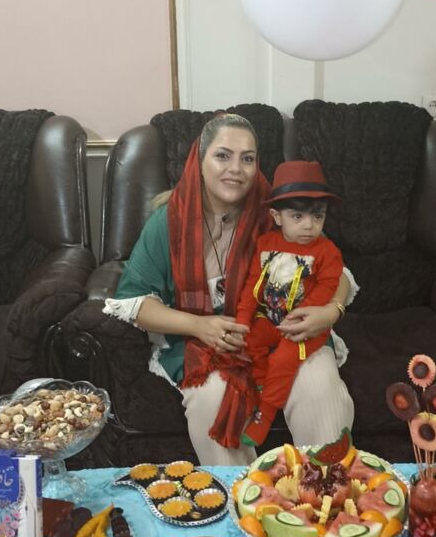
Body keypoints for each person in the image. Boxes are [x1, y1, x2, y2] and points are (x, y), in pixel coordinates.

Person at [103, 113, 356, 466]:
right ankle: (244, 495)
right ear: (200, 160)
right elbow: (135, 302)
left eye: (247, 158)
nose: (236, 169)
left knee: (319, 385)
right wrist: (198, 325)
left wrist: (331, 312)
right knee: (212, 398)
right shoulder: (169, 221)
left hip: (284, 332)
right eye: (223, 155)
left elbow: (334, 271)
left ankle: (326, 489)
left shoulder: (278, 212)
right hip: (206, 344)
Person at [236, 161, 348, 447]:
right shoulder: (265, 244)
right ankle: (260, 384)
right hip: (269, 317)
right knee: (249, 341)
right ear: (277, 216)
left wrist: (301, 316)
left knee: (283, 360)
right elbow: (252, 283)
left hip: (305, 326)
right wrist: (243, 319)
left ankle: (265, 413)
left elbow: (328, 286)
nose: (309, 225)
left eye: (318, 217)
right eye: (297, 216)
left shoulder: (327, 251)